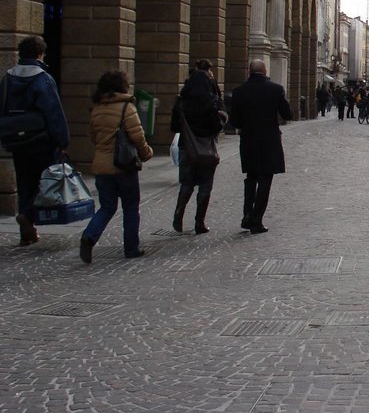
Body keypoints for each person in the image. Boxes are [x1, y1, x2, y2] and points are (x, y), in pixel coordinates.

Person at [1, 35, 71, 246]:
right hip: (41, 140)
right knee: (46, 182)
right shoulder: (42, 78)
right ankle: (28, 214)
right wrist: (63, 140)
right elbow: (53, 112)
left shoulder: (8, 77)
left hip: (17, 140)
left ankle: (27, 231)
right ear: (40, 54)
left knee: (24, 182)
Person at [79, 70, 154, 262]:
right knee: (130, 207)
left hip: (102, 166)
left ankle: (89, 236)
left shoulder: (97, 108)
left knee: (107, 207)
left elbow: (93, 137)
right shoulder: (126, 108)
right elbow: (138, 136)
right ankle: (131, 248)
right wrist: (146, 154)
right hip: (123, 166)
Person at [228, 59, 293, 234]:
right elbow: (288, 114)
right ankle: (256, 220)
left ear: (250, 71)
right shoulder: (276, 90)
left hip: (248, 140)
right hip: (269, 141)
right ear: (265, 71)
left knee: (251, 178)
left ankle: (247, 215)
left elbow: (234, 121)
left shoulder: (239, 91)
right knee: (265, 179)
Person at [170, 59, 226, 234]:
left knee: (186, 183)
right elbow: (218, 125)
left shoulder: (182, 100)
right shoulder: (210, 101)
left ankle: (178, 215)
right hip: (205, 149)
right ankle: (199, 222)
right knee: (205, 185)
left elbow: (174, 126)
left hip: (186, 146)